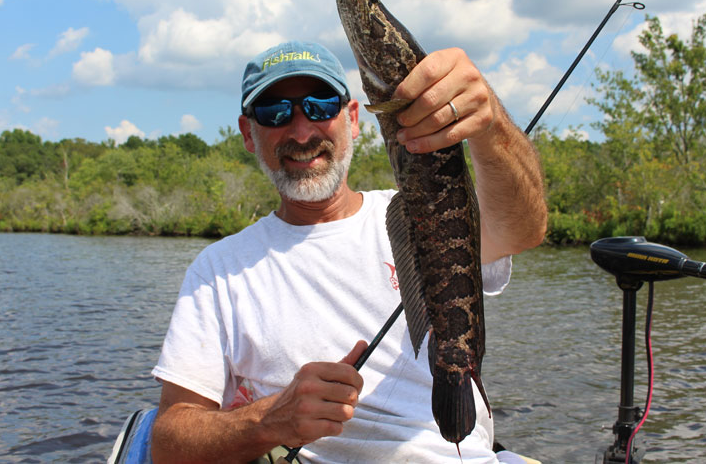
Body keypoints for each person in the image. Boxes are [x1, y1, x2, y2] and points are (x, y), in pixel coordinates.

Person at [150, 40, 547, 463]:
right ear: (249, 134)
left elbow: (524, 229)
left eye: (321, 106)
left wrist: (489, 125)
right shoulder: (217, 270)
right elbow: (168, 443)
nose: (302, 132)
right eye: (275, 113)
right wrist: (269, 420)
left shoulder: (424, 213)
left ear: (353, 119)